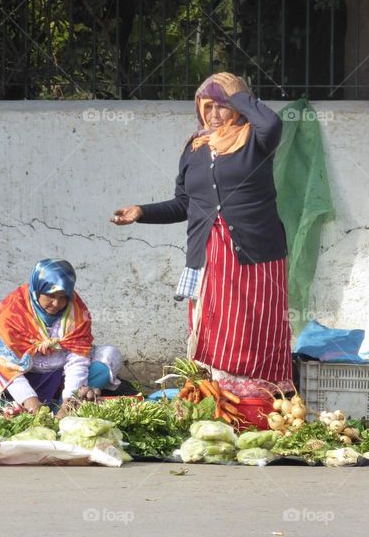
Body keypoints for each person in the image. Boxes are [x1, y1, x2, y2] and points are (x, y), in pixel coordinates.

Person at [111, 72, 292, 395]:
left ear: (237, 107)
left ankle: (260, 397)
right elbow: (183, 204)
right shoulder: (193, 149)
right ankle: (216, 396)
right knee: (214, 327)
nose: (213, 114)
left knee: (252, 328)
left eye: (221, 106)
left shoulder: (255, 139)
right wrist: (142, 212)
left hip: (254, 255)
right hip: (207, 256)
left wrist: (238, 94)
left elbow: (272, 124)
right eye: (207, 107)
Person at [0, 258, 122, 412]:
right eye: (50, 296)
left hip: (59, 374)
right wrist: (29, 399)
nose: (57, 304)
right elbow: (8, 365)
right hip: (23, 372)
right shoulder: (14, 311)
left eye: (63, 297)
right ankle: (24, 404)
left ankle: (64, 402)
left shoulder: (76, 311)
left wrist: (70, 400)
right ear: (38, 288)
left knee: (110, 356)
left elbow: (77, 359)